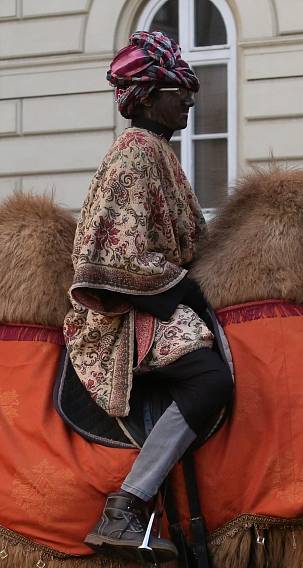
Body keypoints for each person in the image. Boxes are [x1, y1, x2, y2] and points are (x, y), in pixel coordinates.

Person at [63, 31, 232, 560]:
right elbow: (111, 257)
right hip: (125, 315)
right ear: (148, 96)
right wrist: (190, 289)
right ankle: (127, 505)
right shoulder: (136, 155)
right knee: (211, 380)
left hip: (154, 299)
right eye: (176, 89)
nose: (188, 97)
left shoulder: (155, 151)